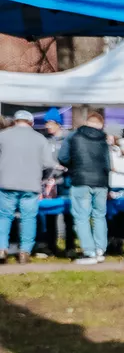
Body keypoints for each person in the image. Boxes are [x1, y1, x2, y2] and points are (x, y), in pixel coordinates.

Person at [0, 112, 55, 264]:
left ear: (15, 121)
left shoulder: (3, 136)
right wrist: (42, 178)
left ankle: (2, 248)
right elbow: (49, 164)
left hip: (6, 183)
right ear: (31, 123)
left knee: (4, 217)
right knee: (28, 218)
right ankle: (25, 251)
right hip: (31, 184)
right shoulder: (40, 139)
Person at [59, 110, 111, 264]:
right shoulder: (103, 139)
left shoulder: (73, 136)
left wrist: (73, 166)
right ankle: (100, 249)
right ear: (100, 124)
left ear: (87, 122)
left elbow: (63, 157)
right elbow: (108, 163)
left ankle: (89, 252)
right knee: (99, 216)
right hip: (101, 182)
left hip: (80, 180)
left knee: (82, 217)